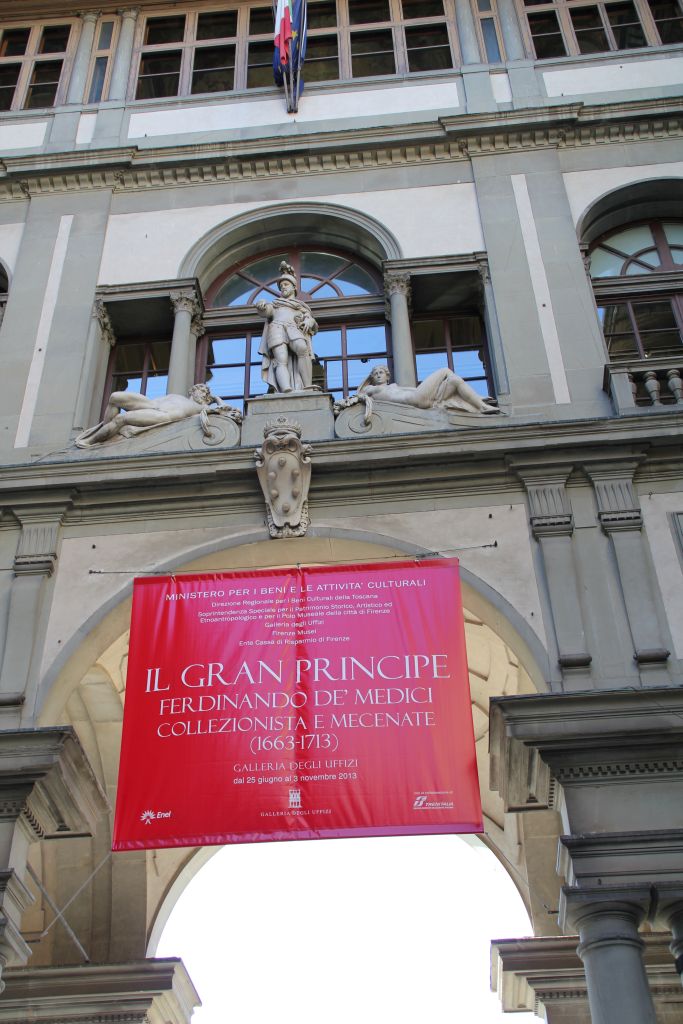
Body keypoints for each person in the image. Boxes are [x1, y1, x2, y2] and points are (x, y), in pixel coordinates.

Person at [74, 383, 239, 448]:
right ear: (193, 391)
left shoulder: (202, 406)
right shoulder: (178, 396)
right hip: (152, 405)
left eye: (207, 394)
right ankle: (105, 434)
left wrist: (216, 399)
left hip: (164, 416)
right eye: (202, 390)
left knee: (121, 419)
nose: (204, 394)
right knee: (114, 397)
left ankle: (89, 442)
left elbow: (224, 409)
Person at [336, 365, 499, 423]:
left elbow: (413, 390)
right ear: (371, 378)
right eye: (375, 374)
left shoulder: (394, 386)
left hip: (423, 400)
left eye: (381, 372)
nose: (378, 375)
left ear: (387, 375)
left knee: (454, 380)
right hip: (417, 400)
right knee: (445, 370)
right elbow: (360, 393)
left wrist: (435, 394)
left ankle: (479, 404)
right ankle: (479, 403)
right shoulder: (371, 390)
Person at [255, 261, 318, 393]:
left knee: (303, 349)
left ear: (294, 287)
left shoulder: (301, 306)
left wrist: (309, 321)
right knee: (281, 359)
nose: (283, 287)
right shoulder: (275, 304)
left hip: (293, 329)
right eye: (281, 286)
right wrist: (261, 305)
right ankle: (285, 388)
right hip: (276, 329)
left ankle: (307, 385)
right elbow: (266, 311)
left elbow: (310, 319)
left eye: (286, 284)